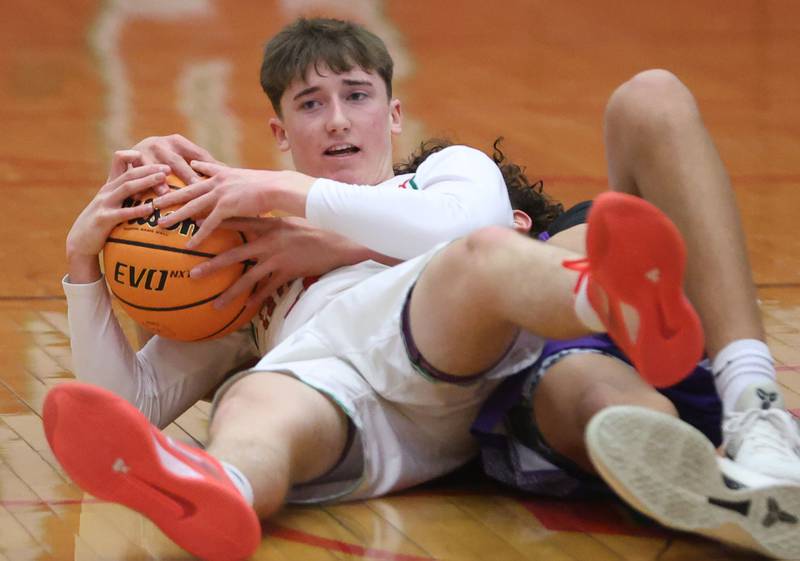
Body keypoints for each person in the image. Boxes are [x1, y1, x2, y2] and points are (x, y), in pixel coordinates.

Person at [46, 17, 708, 561]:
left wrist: (285, 191)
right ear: (280, 134)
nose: (337, 120)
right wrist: (83, 262)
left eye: (356, 95)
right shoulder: (248, 262)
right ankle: (226, 485)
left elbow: (470, 225)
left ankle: (607, 298)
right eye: (311, 104)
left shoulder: (446, 173)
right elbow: (126, 409)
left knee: (477, 254)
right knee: (250, 404)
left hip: (441, 345)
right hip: (352, 412)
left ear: (393, 115)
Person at [471, 70, 800, 559]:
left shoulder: (564, 228)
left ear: (513, 216)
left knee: (652, 94)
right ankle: (731, 485)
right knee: (600, 395)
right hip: (563, 371)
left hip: (605, 297)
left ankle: (754, 403)